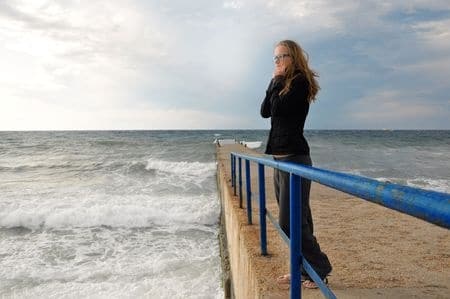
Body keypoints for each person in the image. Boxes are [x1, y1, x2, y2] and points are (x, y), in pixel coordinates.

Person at [260, 40, 332, 289]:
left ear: (294, 57)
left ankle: (319, 266)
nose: (278, 62)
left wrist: (278, 81)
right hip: (280, 159)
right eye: (275, 59)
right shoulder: (281, 84)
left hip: (295, 158)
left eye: (282, 57)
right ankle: (303, 269)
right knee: (299, 220)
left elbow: (278, 108)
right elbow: (265, 111)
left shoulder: (300, 82)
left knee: (291, 222)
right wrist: (273, 82)